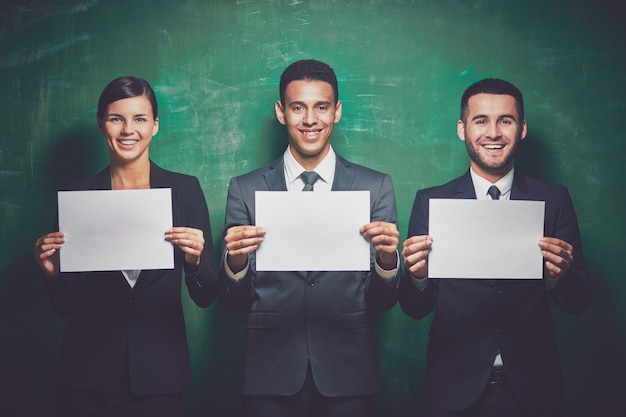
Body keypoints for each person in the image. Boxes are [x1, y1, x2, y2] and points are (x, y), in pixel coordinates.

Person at [400, 78, 592, 417]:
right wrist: (417, 277)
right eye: (481, 120)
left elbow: (579, 301)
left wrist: (560, 276)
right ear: (462, 129)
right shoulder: (431, 202)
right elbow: (415, 308)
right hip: (452, 387)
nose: (493, 132)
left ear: (522, 129)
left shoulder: (554, 199)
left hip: (535, 389)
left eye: (506, 120)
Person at [218, 59, 400, 417]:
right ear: (281, 112)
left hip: (348, 374)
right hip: (268, 374)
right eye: (298, 107)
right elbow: (232, 302)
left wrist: (387, 261)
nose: (310, 119)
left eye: (322, 107)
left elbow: (383, 301)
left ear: (337, 111)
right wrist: (235, 262)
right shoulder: (246, 188)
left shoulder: (375, 186)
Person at [33, 76, 218, 417]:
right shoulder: (77, 196)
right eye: (117, 118)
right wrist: (53, 275)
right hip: (85, 377)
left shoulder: (185, 190)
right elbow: (63, 307)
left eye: (140, 119)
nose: (128, 130)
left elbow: (206, 295)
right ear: (101, 124)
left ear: (155, 126)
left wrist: (194, 261)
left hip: (160, 377)